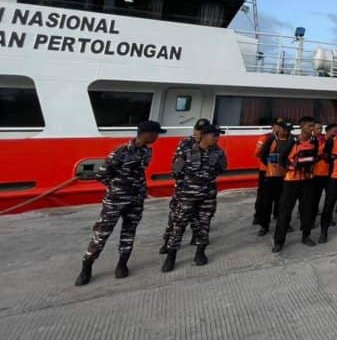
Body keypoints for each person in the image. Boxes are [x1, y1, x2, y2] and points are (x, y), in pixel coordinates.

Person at [75, 121, 164, 286]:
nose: (157, 137)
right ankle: (86, 267)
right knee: (102, 234)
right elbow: (102, 174)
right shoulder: (121, 152)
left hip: (136, 200)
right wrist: (117, 188)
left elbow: (139, 173)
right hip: (115, 201)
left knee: (129, 232)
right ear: (146, 133)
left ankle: (122, 264)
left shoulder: (147, 151)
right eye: (155, 134)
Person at [161, 123, 228, 272]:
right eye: (214, 135)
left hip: (207, 196)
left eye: (218, 135)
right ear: (204, 135)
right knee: (178, 226)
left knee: (203, 225)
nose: (217, 138)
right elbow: (176, 172)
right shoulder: (187, 152)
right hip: (187, 196)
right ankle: (171, 257)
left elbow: (221, 168)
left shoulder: (219, 153)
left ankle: (200, 253)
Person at [272, 118, 320, 252]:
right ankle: (279, 241)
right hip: (291, 181)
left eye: (313, 126)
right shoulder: (291, 141)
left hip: (308, 181)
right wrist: (291, 167)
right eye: (310, 126)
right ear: (302, 127)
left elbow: (315, 156)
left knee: (307, 210)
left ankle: (306, 236)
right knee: (285, 211)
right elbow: (281, 159)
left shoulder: (314, 141)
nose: (312, 128)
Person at [159, 119, 208, 254]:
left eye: (203, 131)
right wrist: (182, 182)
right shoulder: (186, 143)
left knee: (199, 217)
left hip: (201, 190)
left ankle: (196, 238)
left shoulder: (210, 145)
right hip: (183, 189)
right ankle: (167, 242)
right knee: (175, 217)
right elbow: (176, 166)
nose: (199, 133)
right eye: (198, 130)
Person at [254, 118, 291, 236]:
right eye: (284, 128)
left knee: (283, 201)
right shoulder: (269, 139)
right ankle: (264, 224)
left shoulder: (291, 140)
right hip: (269, 175)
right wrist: (272, 166)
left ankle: (283, 222)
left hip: (285, 176)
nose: (286, 131)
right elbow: (262, 155)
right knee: (266, 201)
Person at [252, 119, 282, 226]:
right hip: (265, 170)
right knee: (262, 195)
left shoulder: (287, 139)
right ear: (273, 126)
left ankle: (277, 214)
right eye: (277, 126)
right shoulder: (265, 137)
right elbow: (257, 153)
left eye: (281, 126)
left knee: (280, 194)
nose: (279, 128)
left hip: (279, 172)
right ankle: (258, 216)